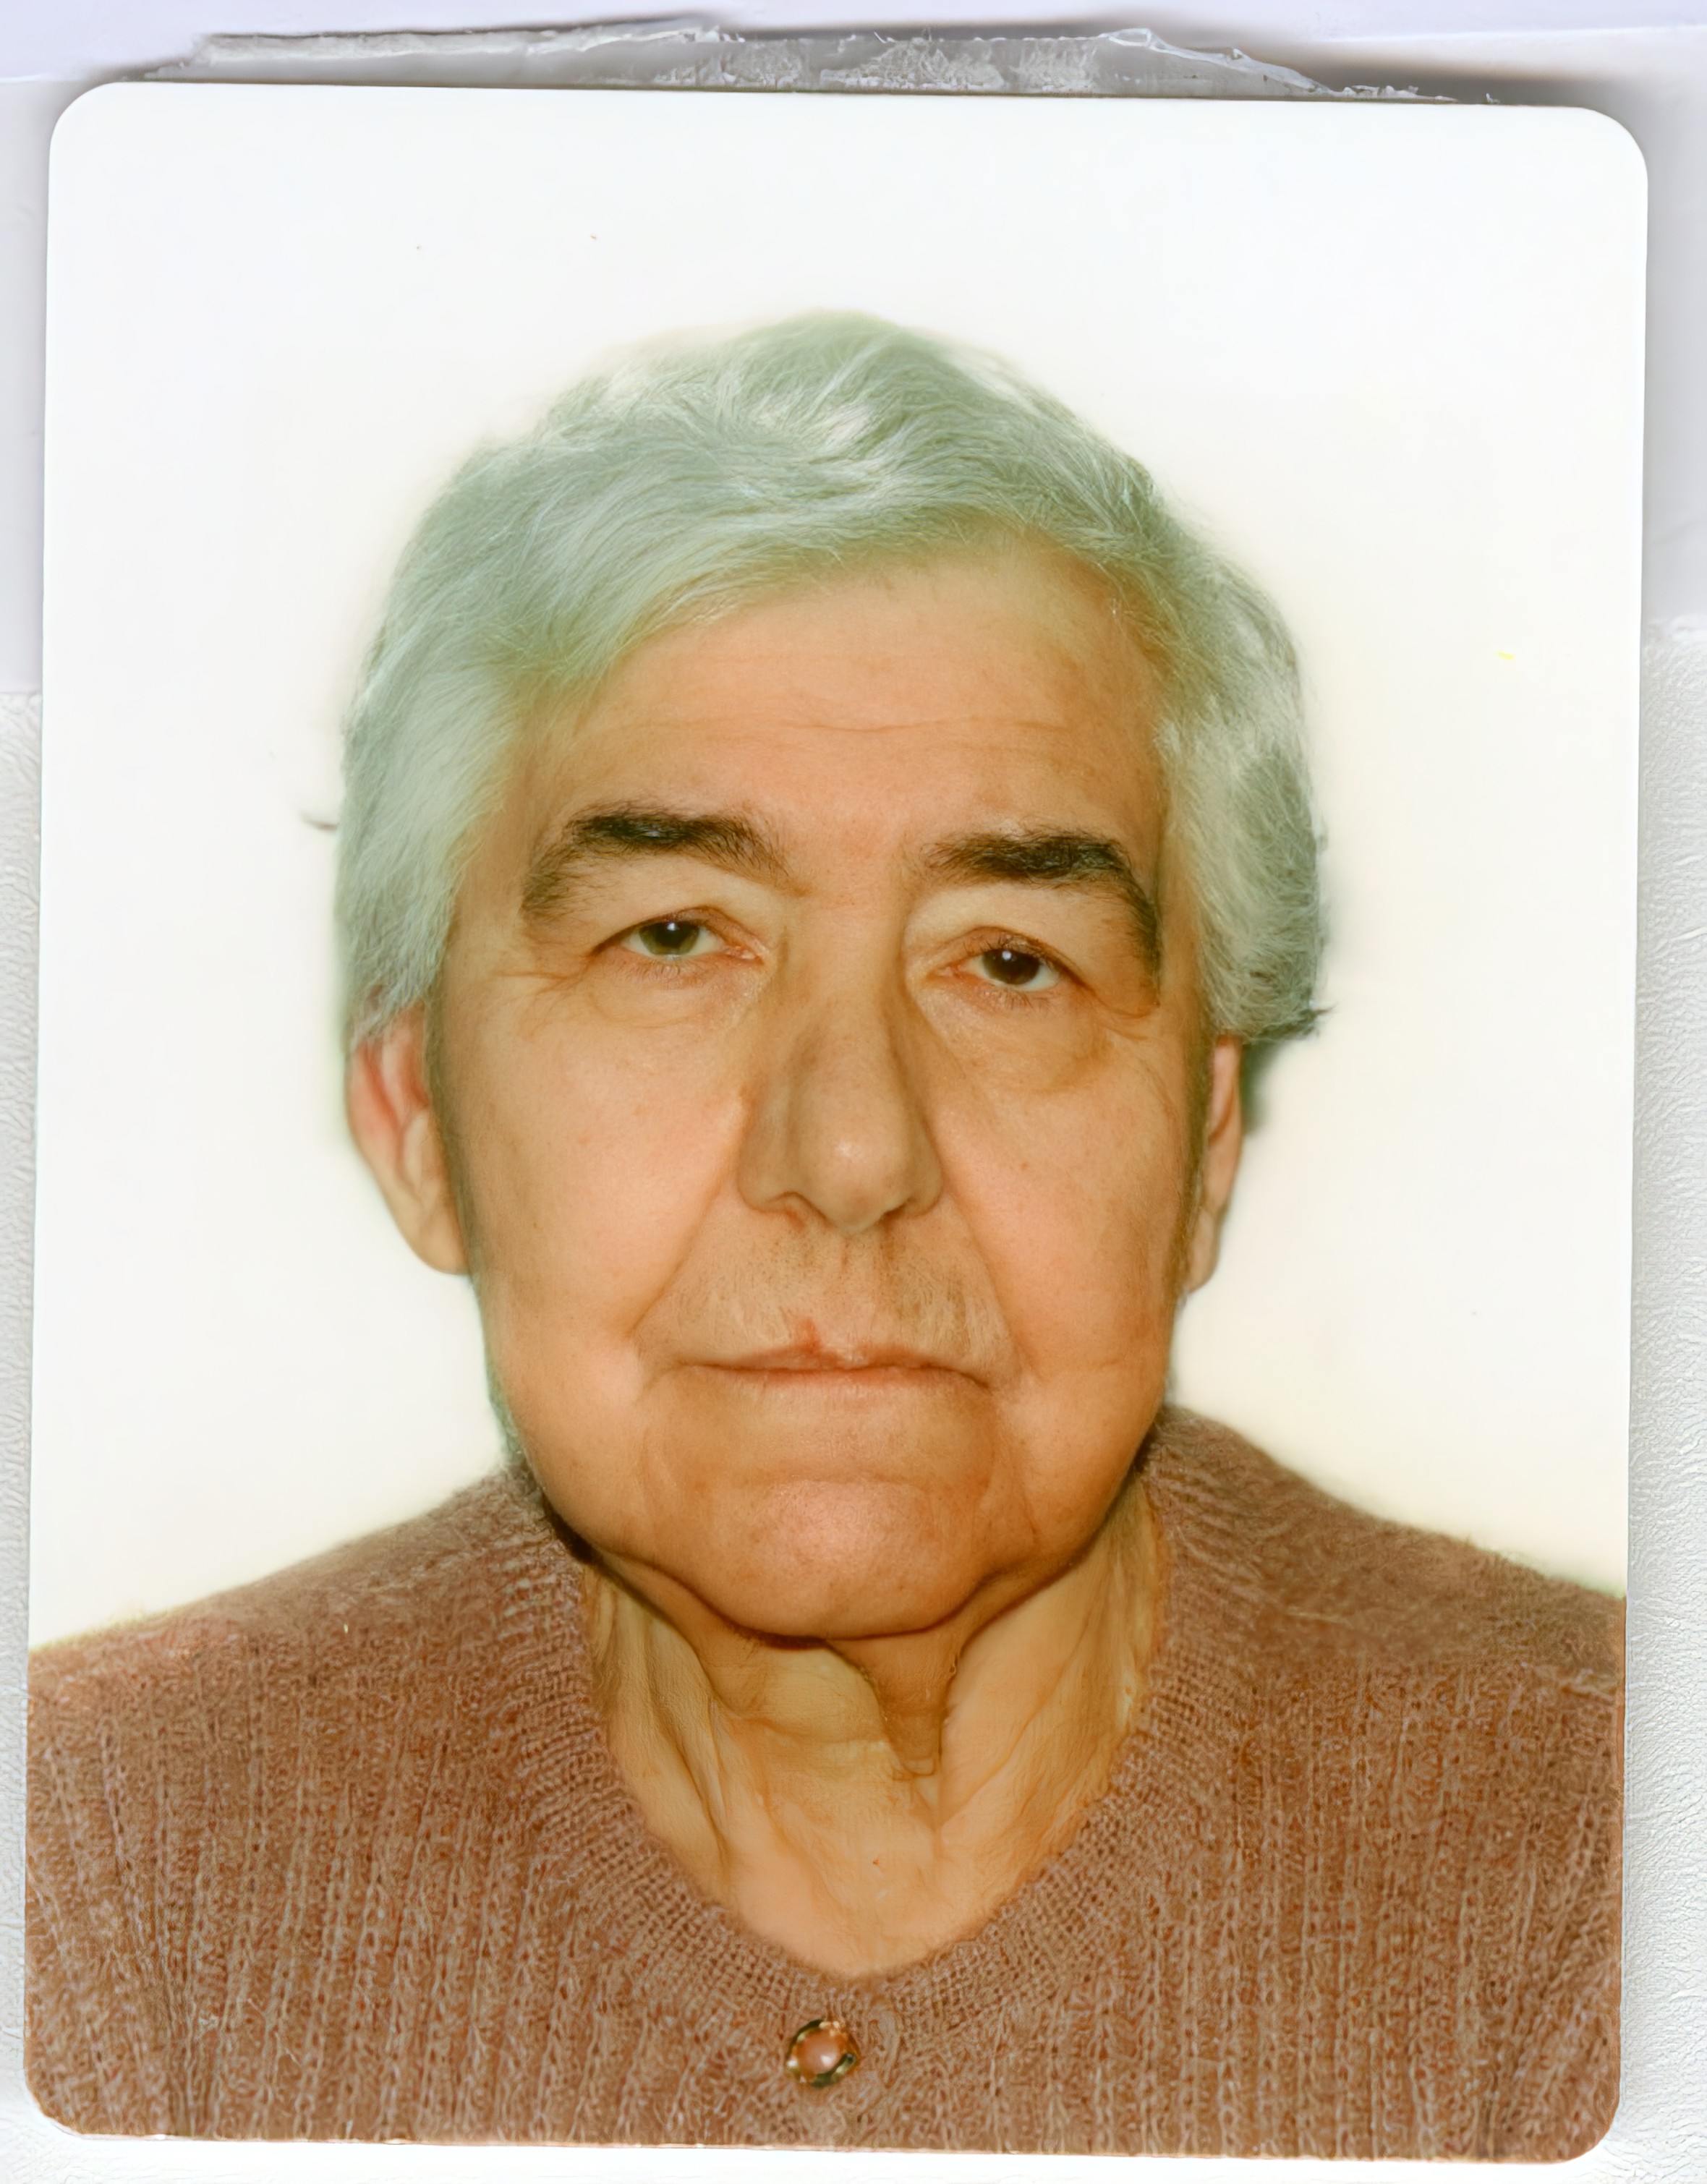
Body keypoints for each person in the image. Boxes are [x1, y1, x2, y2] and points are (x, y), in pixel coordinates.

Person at [26, 315, 1620, 2158]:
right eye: (673, 938)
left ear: (1203, 1146)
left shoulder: (1623, 1857)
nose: (853, 1149)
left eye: (1008, 962)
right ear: (416, 1120)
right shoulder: (85, 1879)